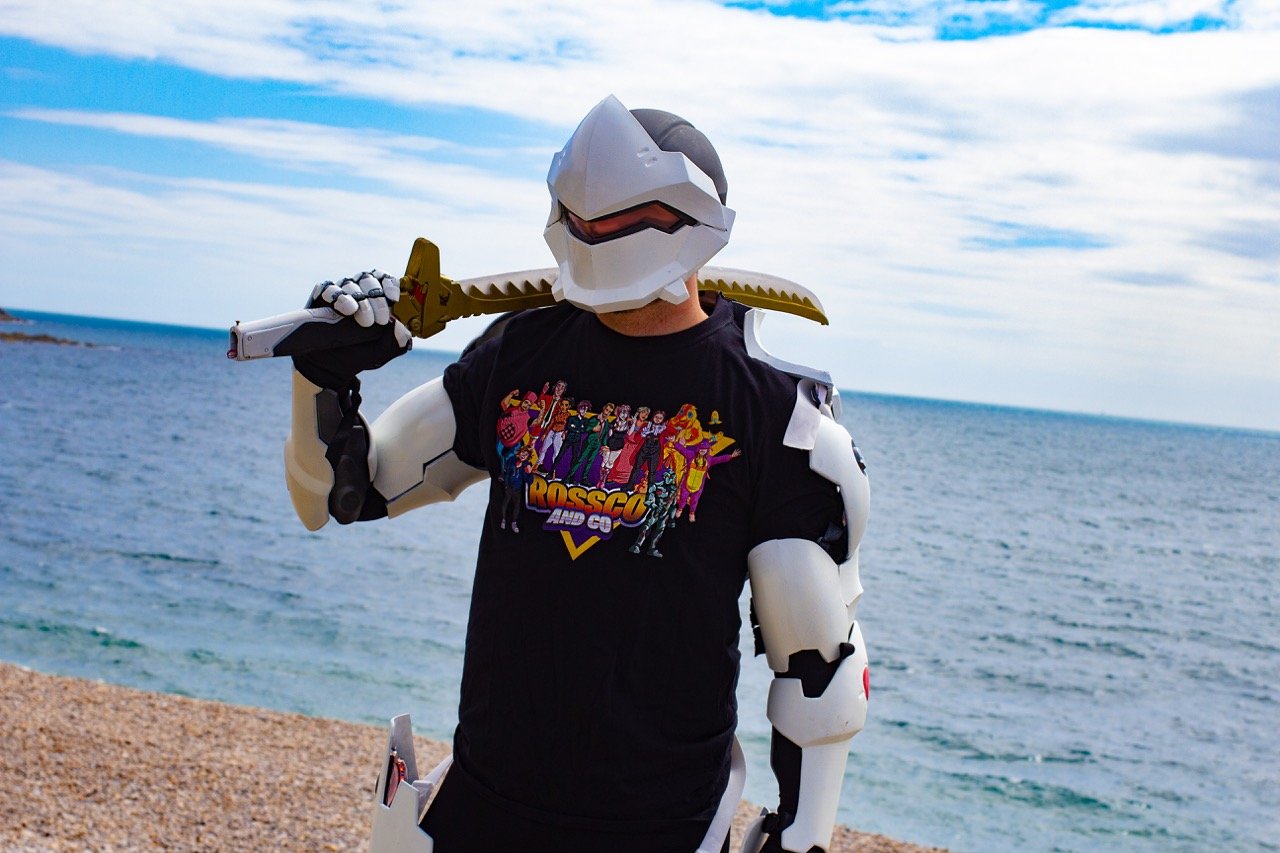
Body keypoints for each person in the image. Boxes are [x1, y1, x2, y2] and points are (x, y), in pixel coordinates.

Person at [282, 95, 870, 853]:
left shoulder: (772, 414)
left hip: (661, 828)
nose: (593, 233)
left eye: (617, 219)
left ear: (688, 218)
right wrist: (323, 379)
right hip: (485, 809)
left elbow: (818, 663)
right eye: (580, 217)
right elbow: (346, 493)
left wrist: (800, 838)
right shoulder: (517, 356)